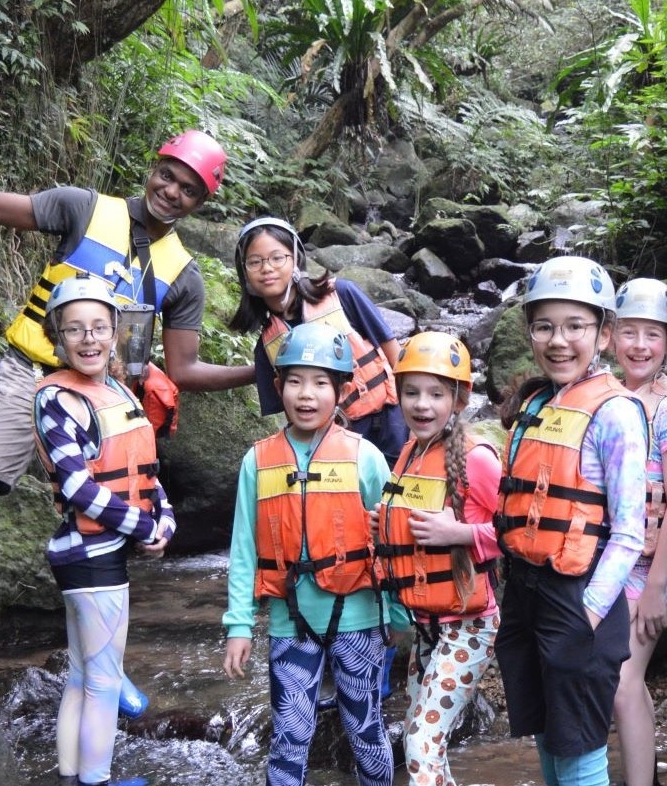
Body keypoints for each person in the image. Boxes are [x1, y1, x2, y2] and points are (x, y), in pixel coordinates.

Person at [0, 54, 235, 720]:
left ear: (202, 201)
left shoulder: (185, 276)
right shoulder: (84, 209)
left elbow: (188, 369)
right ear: (154, 169)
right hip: (28, 375)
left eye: (188, 189)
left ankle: (106, 667)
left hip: (107, 404)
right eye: (167, 176)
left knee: (102, 529)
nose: (171, 191)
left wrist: (266, 370)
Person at [495, 256, 648, 786]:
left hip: (579, 597)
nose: (559, 341)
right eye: (544, 326)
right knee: (546, 735)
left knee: (579, 749)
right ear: (530, 333)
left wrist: (587, 612)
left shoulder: (616, 412)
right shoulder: (536, 402)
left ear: (604, 334)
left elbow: (630, 531)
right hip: (527, 592)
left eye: (576, 326)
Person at [221, 321, 395, 786]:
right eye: (295, 381)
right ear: (279, 388)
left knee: (365, 730)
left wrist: (398, 617)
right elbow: (243, 550)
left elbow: (394, 543)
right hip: (289, 620)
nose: (306, 394)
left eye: (321, 382)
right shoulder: (256, 461)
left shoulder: (366, 457)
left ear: (341, 391)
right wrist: (238, 626)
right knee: (290, 734)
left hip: (358, 618)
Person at [32, 275, 173, 786]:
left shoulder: (115, 390)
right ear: (58, 337)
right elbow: (77, 488)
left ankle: (72, 778)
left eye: (98, 328)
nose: (88, 339)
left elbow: (148, 475)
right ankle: (98, 781)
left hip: (97, 552)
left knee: (81, 676)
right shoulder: (57, 398)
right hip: (90, 554)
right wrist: (143, 528)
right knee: (104, 682)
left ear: (115, 331)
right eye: (74, 330)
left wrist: (166, 522)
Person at [372, 331, 503, 786]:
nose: (422, 405)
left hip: (470, 626)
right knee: (424, 739)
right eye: (411, 392)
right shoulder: (409, 453)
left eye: (435, 394)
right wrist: (383, 529)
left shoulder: (478, 460)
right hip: (425, 625)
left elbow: (519, 533)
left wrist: (459, 533)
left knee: (420, 744)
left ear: (460, 399)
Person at [223, 216, 408, 466]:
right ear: (244, 271)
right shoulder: (267, 344)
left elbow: (398, 359)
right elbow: (292, 419)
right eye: (255, 262)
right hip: (336, 448)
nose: (267, 268)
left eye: (278, 258)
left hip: (392, 424)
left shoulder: (342, 294)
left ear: (296, 260)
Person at [608, 279, 667, 786]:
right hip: (611, 559)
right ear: (612, 336)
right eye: (629, 332)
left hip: (649, 566)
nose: (639, 345)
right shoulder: (611, 393)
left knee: (622, 681)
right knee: (627, 680)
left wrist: (658, 586)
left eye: (653, 335)